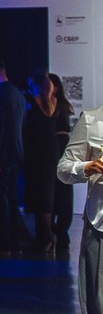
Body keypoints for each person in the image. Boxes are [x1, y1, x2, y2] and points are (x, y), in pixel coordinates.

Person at [27, 74, 76, 256]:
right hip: (59, 148)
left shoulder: (50, 104)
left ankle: (54, 233)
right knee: (60, 191)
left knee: (54, 191)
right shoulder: (59, 104)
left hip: (55, 149)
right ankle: (59, 233)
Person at [57, 100, 103, 292]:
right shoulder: (91, 120)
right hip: (100, 224)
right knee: (98, 300)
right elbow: (63, 169)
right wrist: (88, 167)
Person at [0, 64, 29, 246]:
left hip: (4, 154)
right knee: (13, 195)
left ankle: (4, 239)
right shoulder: (18, 94)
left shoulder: (0, 94)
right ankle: (15, 237)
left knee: (2, 197)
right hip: (17, 151)